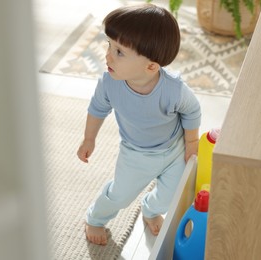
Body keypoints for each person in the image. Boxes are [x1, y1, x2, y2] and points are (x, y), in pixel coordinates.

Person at [77, 3, 201, 246]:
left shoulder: (173, 90)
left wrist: (192, 142)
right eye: (109, 45)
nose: (108, 55)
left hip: (174, 149)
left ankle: (151, 209)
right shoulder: (109, 83)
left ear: (151, 66)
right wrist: (89, 138)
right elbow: (97, 109)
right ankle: (95, 218)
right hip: (135, 153)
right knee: (120, 194)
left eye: (119, 52)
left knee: (171, 197)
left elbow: (192, 110)